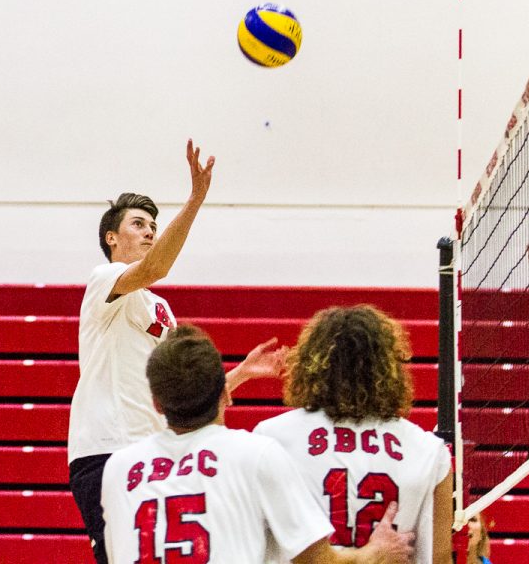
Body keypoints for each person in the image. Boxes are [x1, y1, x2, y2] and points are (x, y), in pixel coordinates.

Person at [68, 139, 285, 563]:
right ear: (111, 238)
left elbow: (184, 387)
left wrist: (239, 373)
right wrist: (196, 200)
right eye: (138, 224)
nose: (149, 230)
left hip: (153, 453)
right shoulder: (104, 279)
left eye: (152, 223)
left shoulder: (160, 307)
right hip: (104, 451)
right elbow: (155, 268)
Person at [100, 325, 415, 564]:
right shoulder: (256, 453)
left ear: (155, 403)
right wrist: (375, 552)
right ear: (224, 394)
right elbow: (317, 560)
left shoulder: (118, 469)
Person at [254, 305, 453, 564]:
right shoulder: (428, 450)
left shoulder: (272, 438)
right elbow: (439, 559)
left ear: (311, 364)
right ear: (389, 367)